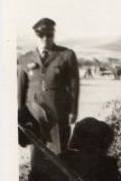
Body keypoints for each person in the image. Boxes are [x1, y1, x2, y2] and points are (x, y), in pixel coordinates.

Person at [17, 17, 80, 153]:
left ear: (53, 34)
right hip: (34, 114)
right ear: (36, 36)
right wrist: (20, 114)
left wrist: (73, 111)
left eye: (49, 35)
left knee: (59, 153)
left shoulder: (66, 55)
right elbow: (21, 89)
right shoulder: (25, 58)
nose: (45, 39)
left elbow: (74, 86)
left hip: (58, 112)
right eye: (41, 35)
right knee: (37, 154)